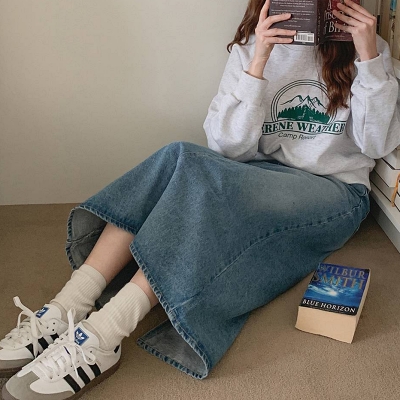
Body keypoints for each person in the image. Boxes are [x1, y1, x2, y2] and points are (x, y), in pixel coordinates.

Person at [1, 0, 400, 398]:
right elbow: (228, 149)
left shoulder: (368, 46)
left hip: (332, 190)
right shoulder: (251, 47)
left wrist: (368, 57)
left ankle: (104, 334)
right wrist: (259, 61)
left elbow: (377, 144)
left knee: (198, 179)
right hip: (257, 176)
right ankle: (68, 306)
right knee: (179, 157)